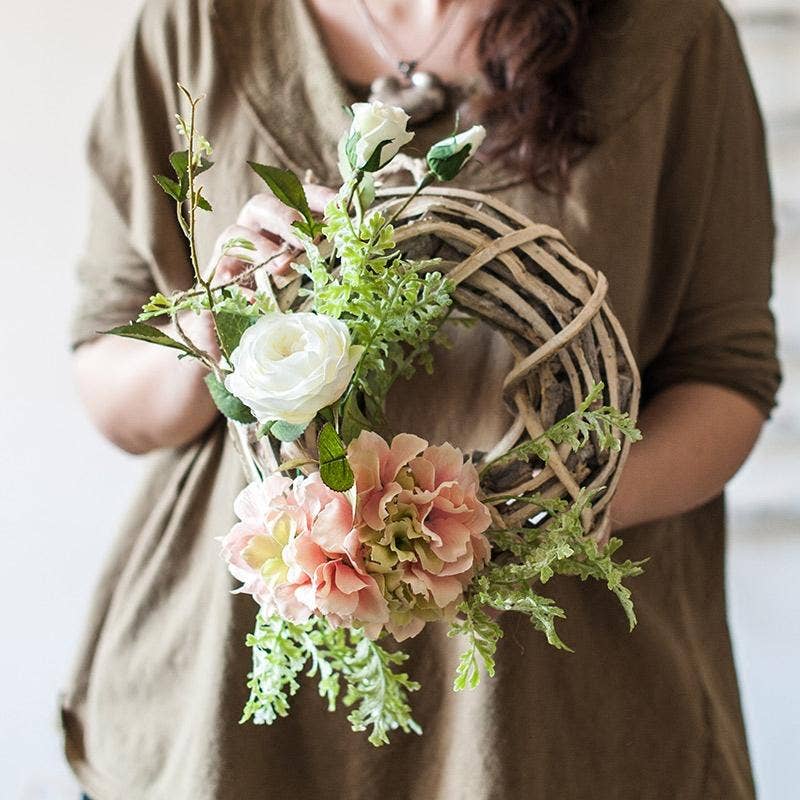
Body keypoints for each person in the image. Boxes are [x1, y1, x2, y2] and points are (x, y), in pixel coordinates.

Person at [64, 0, 782, 797]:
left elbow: (726, 375)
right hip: (226, 704)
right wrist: (212, 321)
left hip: (557, 720)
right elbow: (112, 386)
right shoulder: (200, 25)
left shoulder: (669, 32)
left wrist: (542, 516)